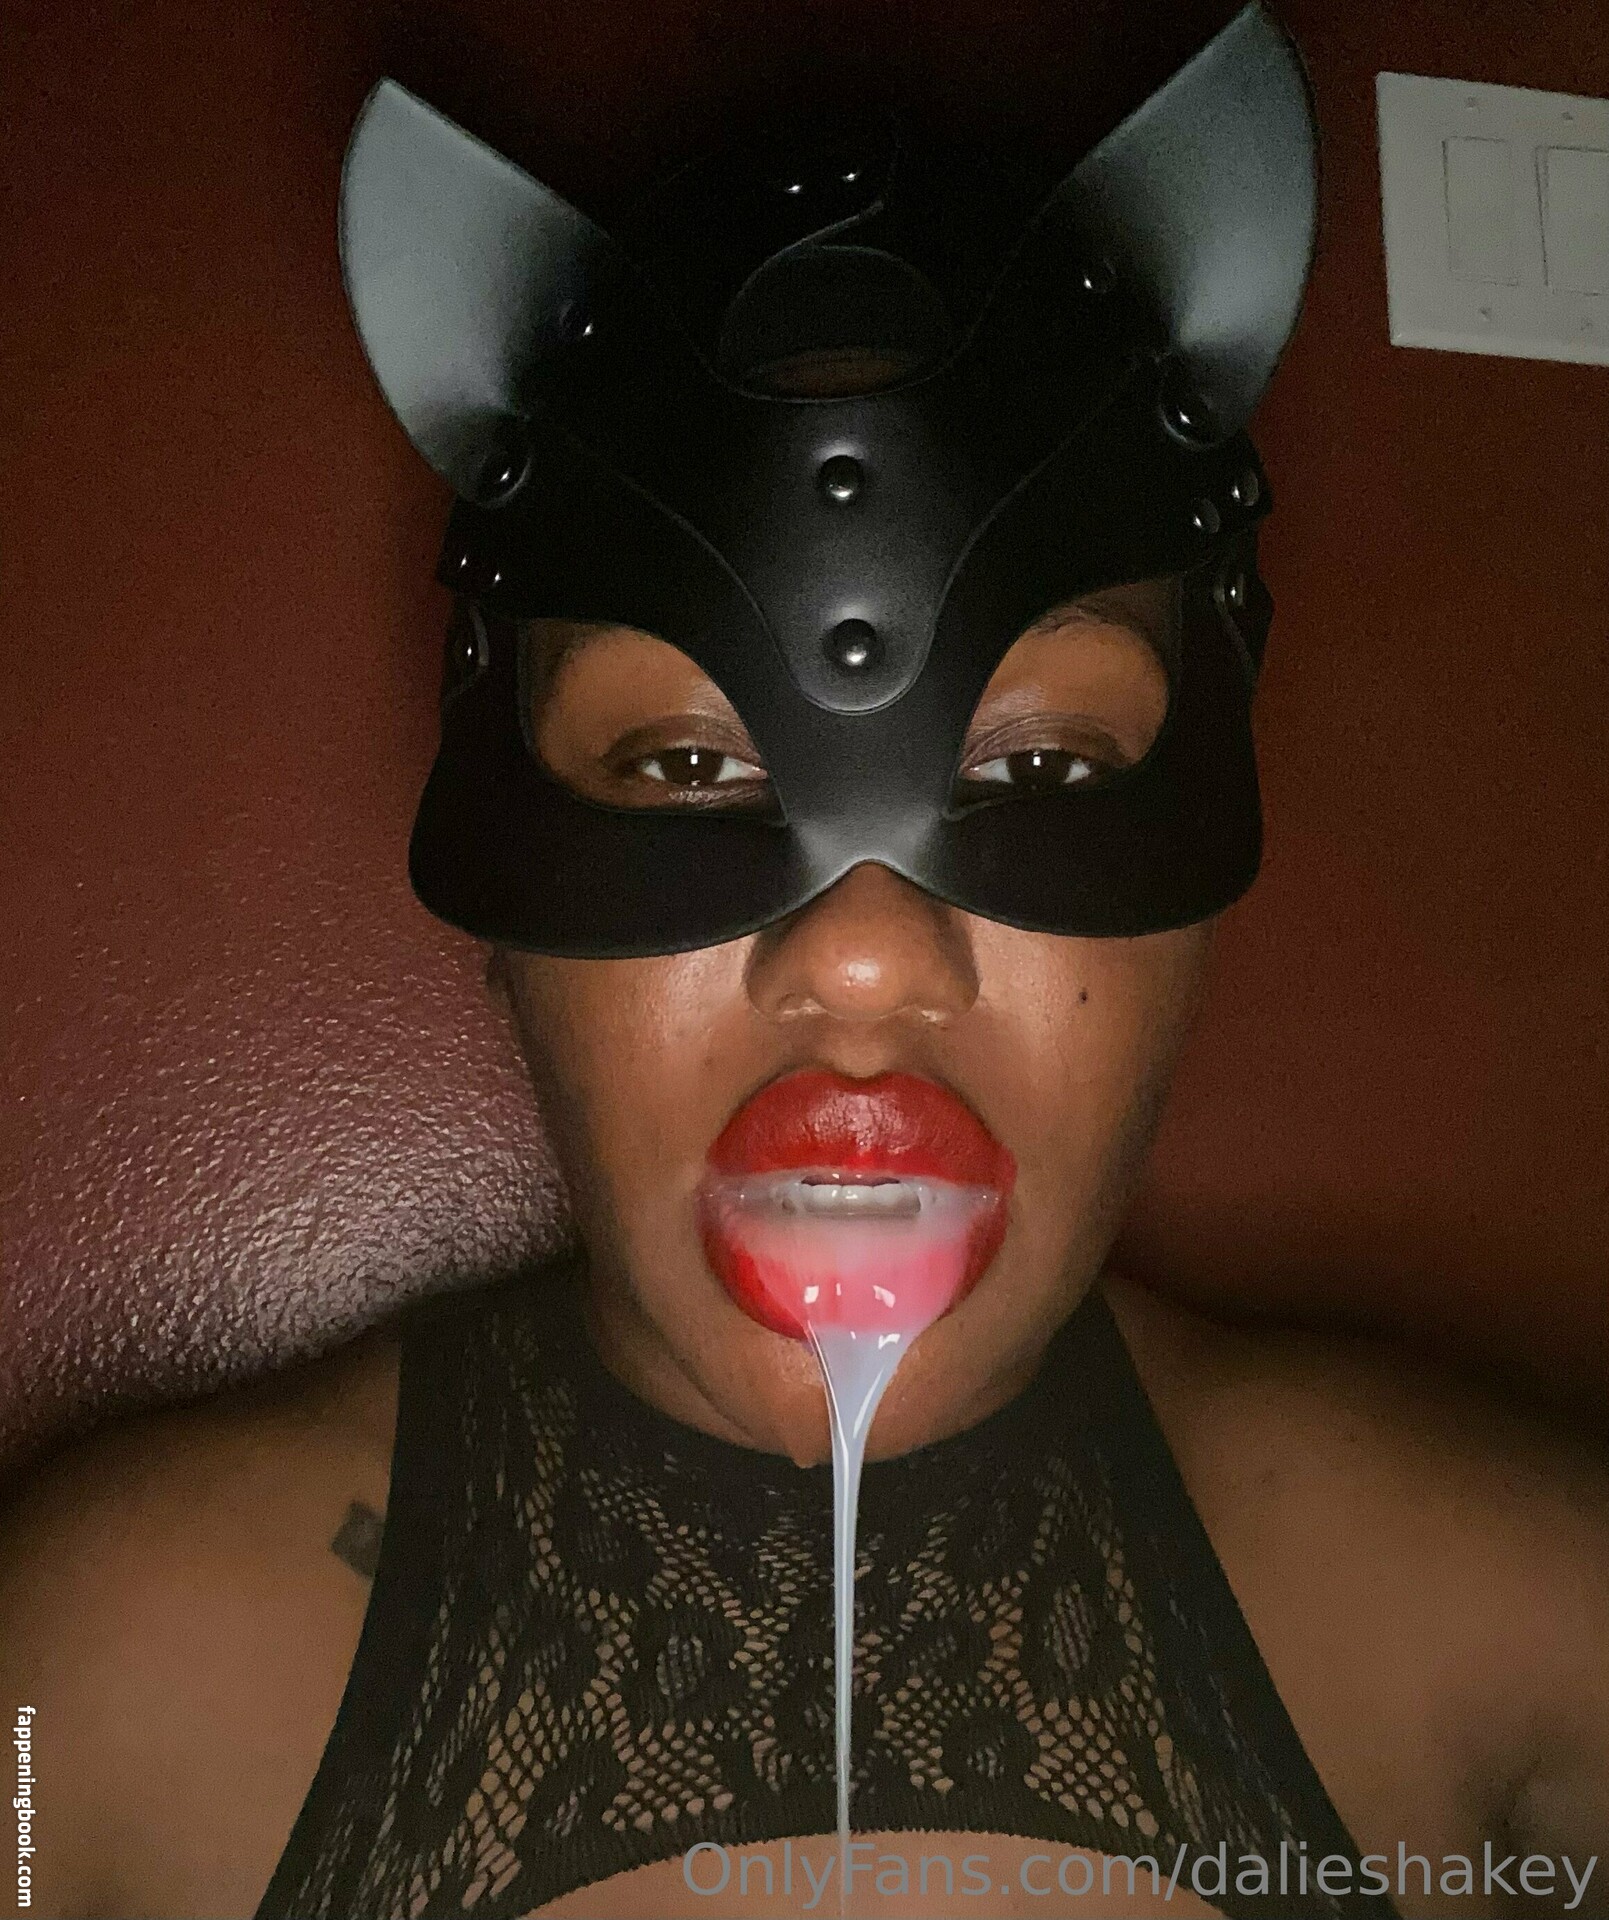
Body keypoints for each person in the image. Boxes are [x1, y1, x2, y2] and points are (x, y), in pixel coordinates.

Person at [2, 7, 1606, 1918]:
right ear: (505, 914)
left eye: (1039, 771)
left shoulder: (1535, 1657)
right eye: (684, 768)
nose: (857, 963)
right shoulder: (77, 1716)